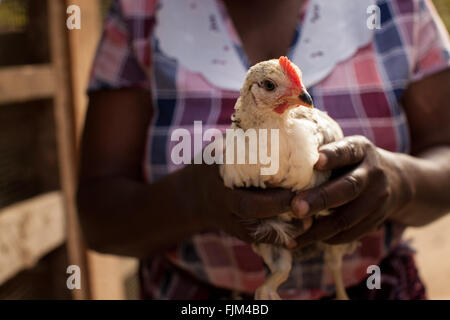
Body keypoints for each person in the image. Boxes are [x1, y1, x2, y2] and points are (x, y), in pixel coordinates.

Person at [77, 0, 450, 299]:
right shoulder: (141, 13)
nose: (299, 97)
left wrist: (400, 182)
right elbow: (98, 220)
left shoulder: (400, 8)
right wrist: (194, 196)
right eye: (272, 88)